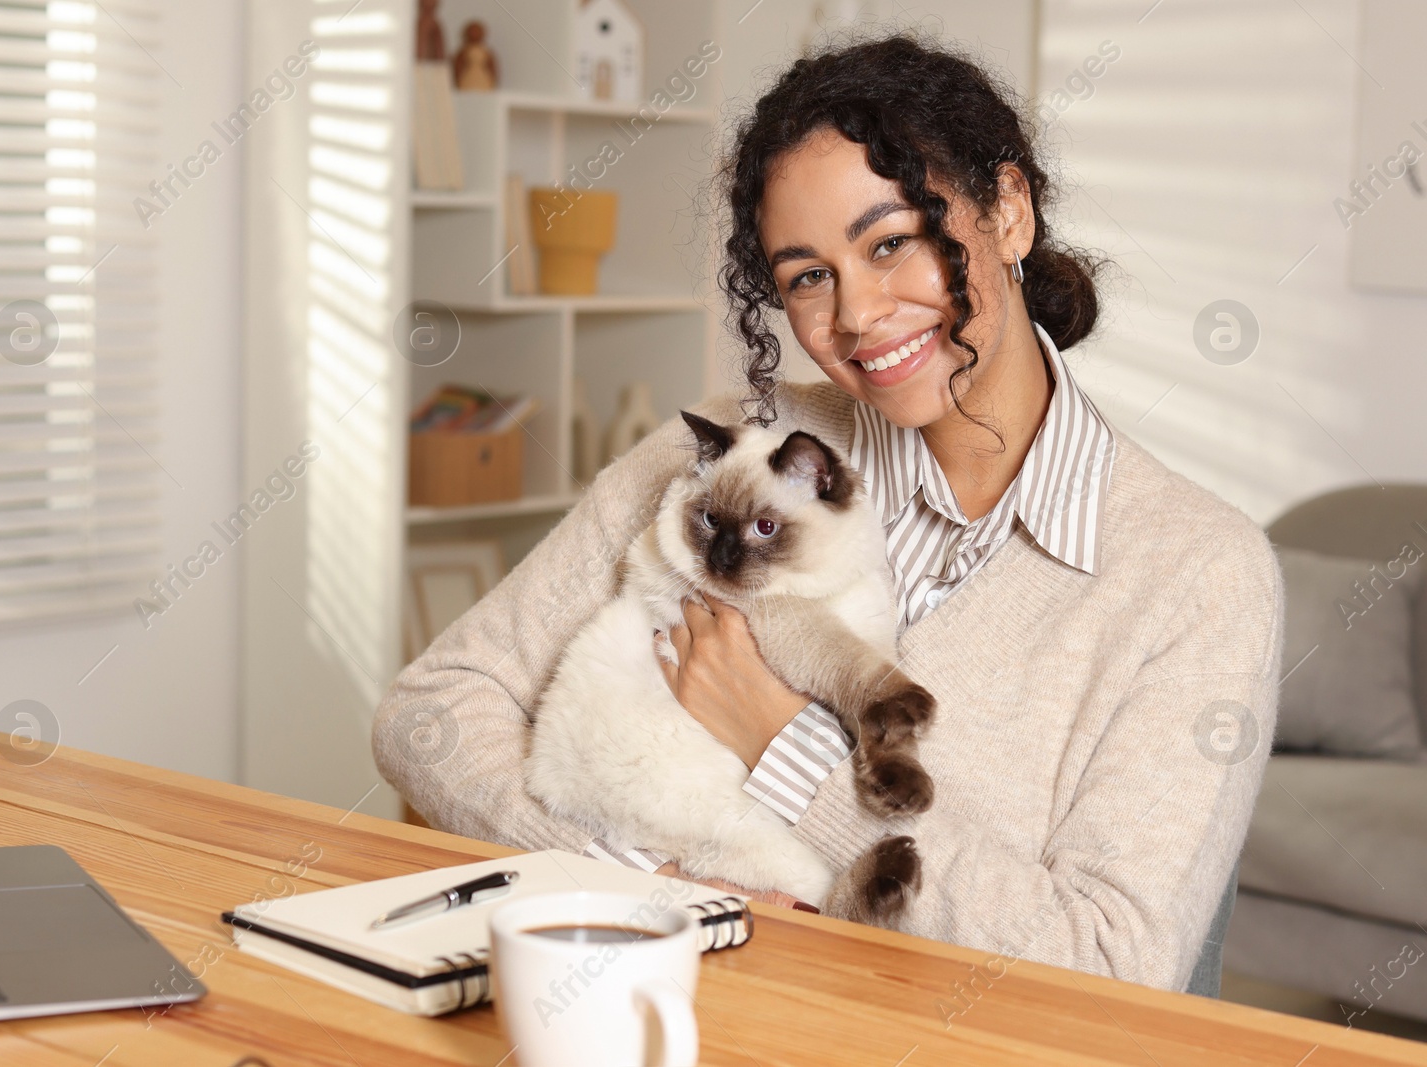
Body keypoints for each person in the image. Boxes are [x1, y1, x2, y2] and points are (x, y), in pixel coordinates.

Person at [374, 31, 1283, 993]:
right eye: (808, 275)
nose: (854, 316)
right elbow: (430, 712)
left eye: (892, 242)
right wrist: (649, 894)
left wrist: (787, 749)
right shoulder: (726, 463)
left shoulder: (1195, 572)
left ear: (1009, 213)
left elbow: (1112, 965)